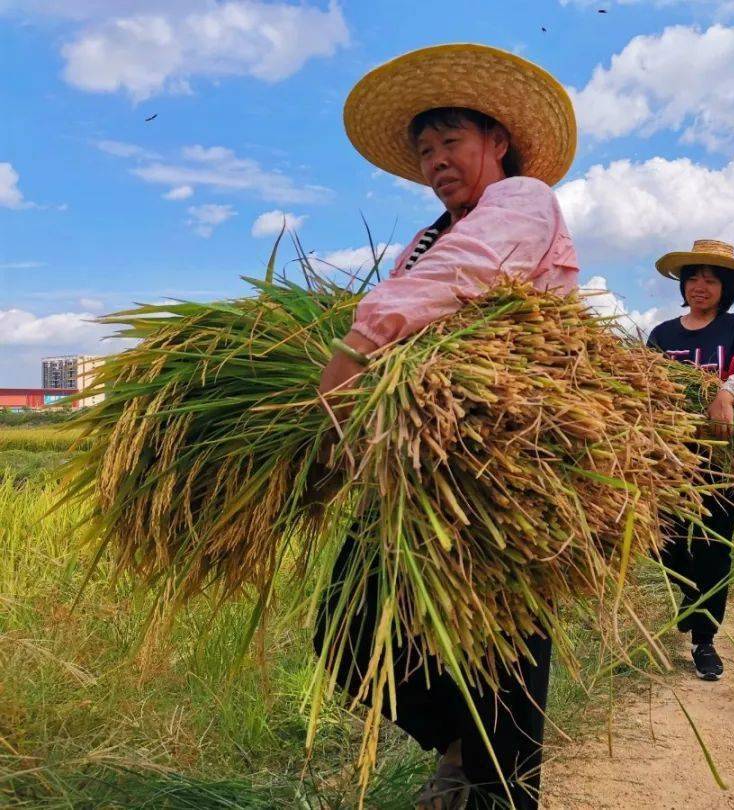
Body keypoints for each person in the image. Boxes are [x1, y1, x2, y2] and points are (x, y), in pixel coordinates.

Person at [315, 44, 578, 810]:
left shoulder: (523, 201)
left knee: (502, 641)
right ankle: (459, 749)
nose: (436, 160)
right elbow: (415, 293)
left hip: (509, 452)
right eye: (425, 149)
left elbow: (467, 274)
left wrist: (356, 346)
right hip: (423, 457)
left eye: (451, 142)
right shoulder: (425, 238)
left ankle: (500, 789)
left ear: (497, 142)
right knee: (349, 624)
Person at [646, 240, 734, 681]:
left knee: (714, 549)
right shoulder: (662, 334)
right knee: (659, 541)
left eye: (711, 279)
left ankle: (704, 640)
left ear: (726, 287)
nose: (700, 286)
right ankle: (690, 595)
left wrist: (726, 393)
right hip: (670, 457)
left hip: (722, 457)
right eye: (693, 277)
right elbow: (643, 383)